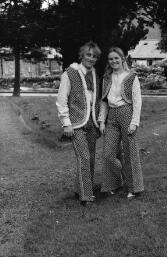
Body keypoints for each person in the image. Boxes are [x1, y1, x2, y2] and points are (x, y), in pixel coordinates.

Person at [56, 41, 101, 206]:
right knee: (83, 157)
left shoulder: (95, 74)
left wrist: (98, 122)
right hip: (76, 123)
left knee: (90, 159)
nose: (91, 58)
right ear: (82, 55)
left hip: (92, 123)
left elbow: (96, 100)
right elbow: (61, 100)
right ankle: (86, 197)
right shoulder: (70, 73)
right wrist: (66, 123)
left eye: (94, 56)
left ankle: (80, 189)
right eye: (88, 55)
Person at [98, 47, 144, 199]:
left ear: (122, 58)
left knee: (130, 152)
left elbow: (137, 101)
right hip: (111, 116)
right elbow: (104, 101)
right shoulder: (106, 77)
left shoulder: (131, 77)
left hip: (127, 114)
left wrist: (134, 122)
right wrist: (101, 121)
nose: (113, 61)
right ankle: (115, 183)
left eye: (116, 58)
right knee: (108, 155)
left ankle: (134, 187)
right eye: (111, 59)